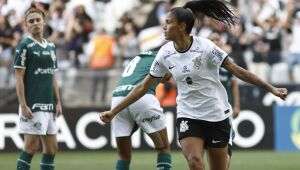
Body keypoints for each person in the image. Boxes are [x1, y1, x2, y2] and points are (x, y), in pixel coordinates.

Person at [100, 1, 288, 170]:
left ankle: (227, 142)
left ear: (182, 27)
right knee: (195, 162)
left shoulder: (206, 47)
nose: (164, 26)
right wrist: (114, 111)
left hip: (216, 114)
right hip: (188, 115)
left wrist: (271, 88)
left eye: (168, 22)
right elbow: (142, 87)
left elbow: (238, 71)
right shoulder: (164, 53)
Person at [105, 50, 172, 170]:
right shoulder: (164, 55)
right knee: (163, 148)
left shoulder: (140, 58)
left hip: (117, 98)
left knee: (122, 156)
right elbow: (167, 76)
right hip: (142, 97)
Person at [14, 6, 62, 170]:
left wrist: (58, 102)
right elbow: (19, 76)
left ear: (44, 22)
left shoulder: (51, 47)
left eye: (38, 20)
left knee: (52, 148)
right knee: (31, 147)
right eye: (31, 21)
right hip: (33, 105)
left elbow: (53, 75)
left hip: (49, 104)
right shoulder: (24, 46)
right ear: (26, 25)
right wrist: (23, 104)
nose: (35, 23)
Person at [210, 32, 240, 170]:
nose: (215, 42)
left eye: (218, 39)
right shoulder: (203, 62)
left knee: (225, 143)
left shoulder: (229, 62)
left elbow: (234, 86)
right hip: (206, 108)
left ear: (222, 43)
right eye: (212, 40)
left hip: (224, 108)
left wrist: (237, 106)